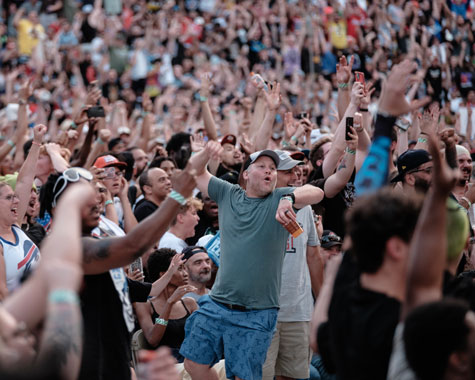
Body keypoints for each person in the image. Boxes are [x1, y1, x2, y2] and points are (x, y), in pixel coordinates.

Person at [180, 137, 324, 380]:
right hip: (218, 302)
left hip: (258, 311)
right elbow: (195, 172)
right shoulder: (228, 193)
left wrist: (290, 199)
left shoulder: (281, 197)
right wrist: (206, 152)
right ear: (246, 174)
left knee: (243, 377)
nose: (269, 171)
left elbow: (317, 192)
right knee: (193, 365)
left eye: (272, 168)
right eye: (262, 166)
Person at [262, 150, 323, 380]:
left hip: (298, 311)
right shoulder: (253, 206)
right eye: (288, 171)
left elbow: (314, 257)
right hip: (262, 313)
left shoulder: (304, 208)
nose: (296, 175)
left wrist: (321, 304)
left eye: (298, 170)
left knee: (295, 377)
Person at [134, 248, 198, 362]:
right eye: (179, 269)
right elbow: (153, 339)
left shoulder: (189, 303)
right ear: (164, 274)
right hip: (166, 366)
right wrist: (169, 304)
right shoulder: (145, 305)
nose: (185, 273)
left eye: (184, 268)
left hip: (191, 360)